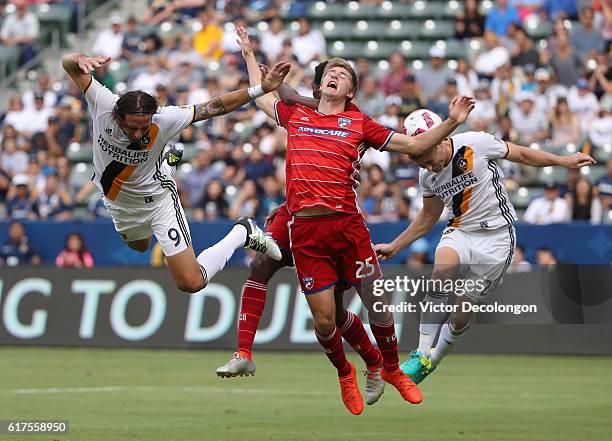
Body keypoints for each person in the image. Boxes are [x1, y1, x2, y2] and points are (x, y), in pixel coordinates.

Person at [237, 26, 475, 415]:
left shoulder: (360, 124)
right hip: (306, 230)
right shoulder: (297, 114)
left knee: (377, 304)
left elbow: (415, 145)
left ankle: (393, 370)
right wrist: (249, 55)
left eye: (342, 74)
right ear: (319, 85)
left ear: (350, 91)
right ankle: (345, 372)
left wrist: (452, 123)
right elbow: (259, 98)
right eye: (329, 71)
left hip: (348, 226)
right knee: (325, 322)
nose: (333, 75)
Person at [374, 110, 595, 385]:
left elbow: (523, 155)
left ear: (440, 140)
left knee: (461, 312)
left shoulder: (475, 143)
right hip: (461, 231)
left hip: (498, 238)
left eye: (428, 159)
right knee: (441, 270)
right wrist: (396, 245)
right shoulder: (426, 176)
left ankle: (433, 360)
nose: (428, 167)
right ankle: (420, 354)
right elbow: (429, 216)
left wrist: (564, 161)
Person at [61, 51, 290, 293]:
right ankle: (167, 164)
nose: (139, 134)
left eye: (144, 128)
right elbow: (69, 65)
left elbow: (214, 107)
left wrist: (259, 90)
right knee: (140, 245)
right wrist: (77, 58)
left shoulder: (164, 119)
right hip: (119, 202)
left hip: (158, 201)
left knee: (190, 283)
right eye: (132, 127)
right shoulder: (103, 103)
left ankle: (241, 233)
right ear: (118, 116)